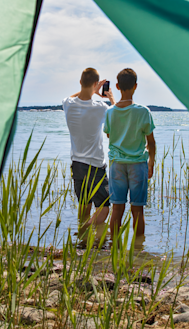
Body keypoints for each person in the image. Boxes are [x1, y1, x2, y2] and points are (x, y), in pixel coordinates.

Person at [103, 68, 155, 238]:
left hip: (117, 165)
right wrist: (151, 163)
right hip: (138, 165)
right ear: (136, 86)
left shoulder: (110, 112)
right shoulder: (143, 112)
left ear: (117, 86)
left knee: (117, 209)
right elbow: (151, 142)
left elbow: (110, 135)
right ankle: (138, 251)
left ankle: (115, 248)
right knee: (137, 210)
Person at [63, 68, 115, 232]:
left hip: (77, 164)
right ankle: (84, 232)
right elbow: (117, 114)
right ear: (95, 84)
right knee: (104, 207)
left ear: (80, 83)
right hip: (95, 165)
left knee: (84, 204)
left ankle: (82, 241)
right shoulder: (101, 107)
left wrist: (90, 89)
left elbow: (71, 97)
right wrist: (110, 97)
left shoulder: (67, 104)